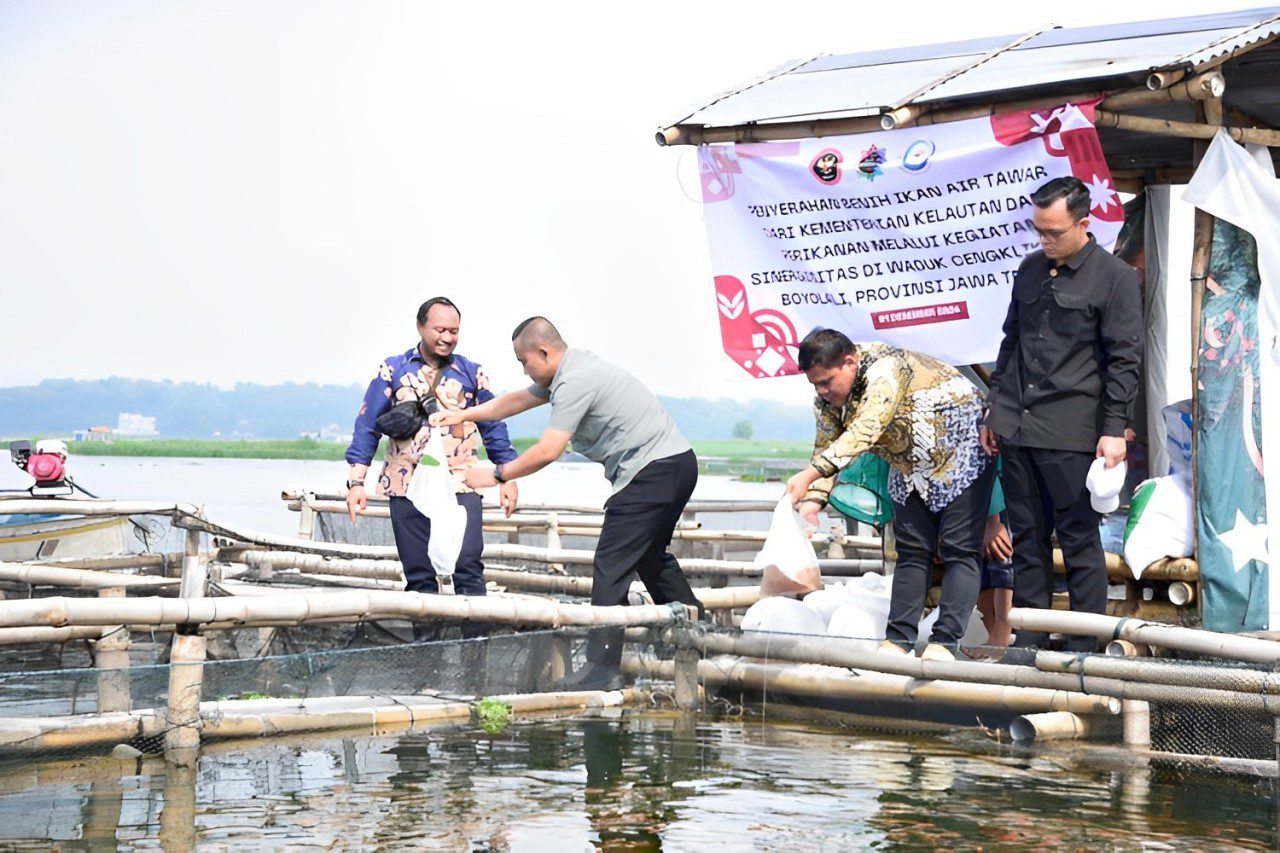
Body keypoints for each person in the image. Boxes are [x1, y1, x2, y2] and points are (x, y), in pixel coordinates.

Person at [432, 317, 703, 690]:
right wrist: (464, 414)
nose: (524, 369)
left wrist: (497, 475)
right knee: (649, 556)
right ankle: (696, 635)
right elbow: (516, 402)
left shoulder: (575, 381)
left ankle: (601, 670)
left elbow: (549, 450)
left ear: (544, 352)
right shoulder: (571, 368)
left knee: (610, 564)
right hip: (675, 464)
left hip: (653, 470)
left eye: (524, 361)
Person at [981, 176, 1142, 653]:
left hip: (1073, 429)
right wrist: (996, 410)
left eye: (1054, 232)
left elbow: (1125, 358)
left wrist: (1114, 429)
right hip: (1017, 425)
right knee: (1026, 537)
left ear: (1084, 223)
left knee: (1078, 539)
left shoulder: (1113, 277)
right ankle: (1028, 638)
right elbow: (1011, 344)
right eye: (1039, 231)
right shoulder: (1030, 269)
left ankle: (1084, 647)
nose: (1045, 242)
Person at [785, 330, 995, 661]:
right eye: (815, 384)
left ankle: (945, 641)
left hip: (960, 446)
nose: (822, 391)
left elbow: (865, 429)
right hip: (908, 460)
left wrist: (811, 474)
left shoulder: (885, 369)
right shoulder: (826, 398)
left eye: (826, 381)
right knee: (912, 550)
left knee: (959, 548)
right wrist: (815, 497)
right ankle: (898, 639)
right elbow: (827, 443)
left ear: (850, 362)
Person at [344, 296, 519, 605]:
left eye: (454, 331)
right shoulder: (393, 369)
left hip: (461, 482)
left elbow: (494, 425)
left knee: (468, 566)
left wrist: (508, 478)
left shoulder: (471, 372)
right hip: (405, 482)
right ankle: (426, 650)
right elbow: (367, 425)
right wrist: (357, 483)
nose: (447, 337)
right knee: (419, 573)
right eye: (440, 329)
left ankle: (474, 650)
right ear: (420, 327)